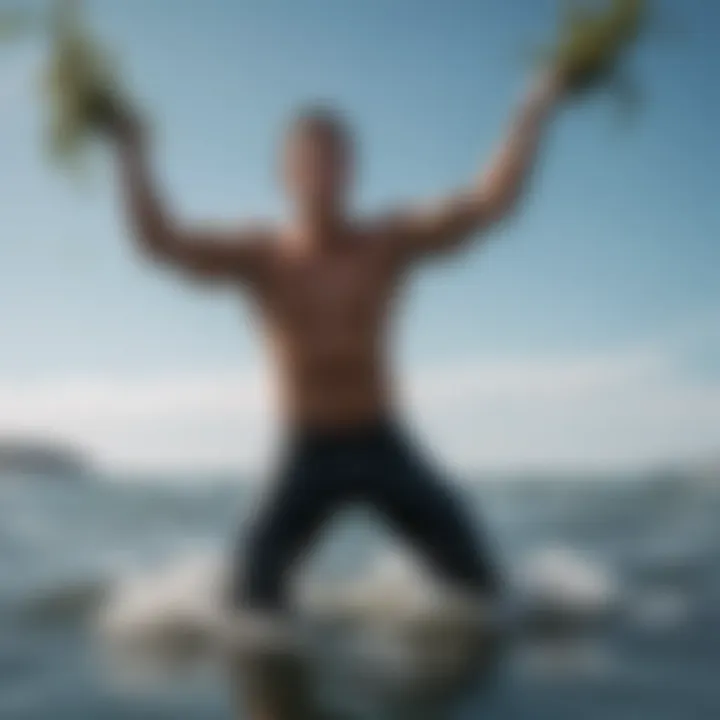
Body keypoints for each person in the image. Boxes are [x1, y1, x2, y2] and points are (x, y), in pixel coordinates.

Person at [99, 66, 566, 618]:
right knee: (246, 608)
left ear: (352, 171)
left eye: (334, 157)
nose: (321, 170)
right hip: (305, 450)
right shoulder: (261, 256)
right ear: (285, 172)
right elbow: (161, 244)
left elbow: (487, 205)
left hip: (383, 443)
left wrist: (530, 111)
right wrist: (130, 154)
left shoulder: (388, 242)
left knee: (482, 589)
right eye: (308, 158)